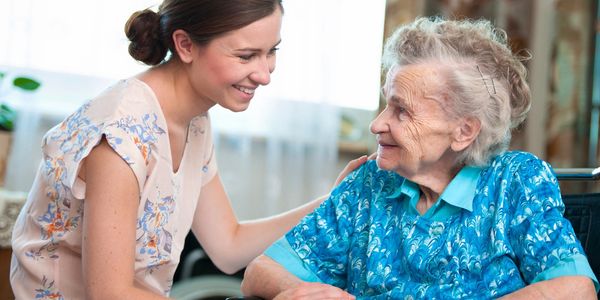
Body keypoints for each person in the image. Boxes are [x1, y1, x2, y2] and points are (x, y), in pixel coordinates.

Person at [9, 1, 366, 299]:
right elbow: (110, 295)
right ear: (185, 45)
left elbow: (228, 246)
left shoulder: (193, 120)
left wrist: (332, 200)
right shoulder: (120, 137)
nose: (264, 73)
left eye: (271, 51)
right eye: (246, 56)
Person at [241, 17, 599, 299]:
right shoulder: (369, 184)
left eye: (402, 111)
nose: (377, 124)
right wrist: (296, 294)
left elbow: (573, 288)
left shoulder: (515, 181)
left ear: (464, 131)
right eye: (386, 103)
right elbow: (260, 271)